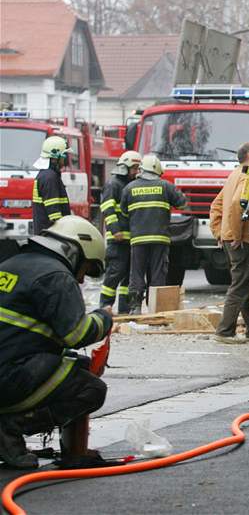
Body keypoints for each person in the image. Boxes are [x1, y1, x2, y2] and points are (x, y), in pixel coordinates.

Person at [0, 216, 113, 469]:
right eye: (85, 269)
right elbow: (77, 335)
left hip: (7, 364)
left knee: (76, 366)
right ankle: (9, 428)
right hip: (7, 375)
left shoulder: (10, 264)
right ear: (74, 253)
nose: (82, 280)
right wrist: (104, 319)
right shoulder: (55, 276)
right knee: (91, 388)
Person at [120, 154, 186, 314]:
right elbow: (182, 203)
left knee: (136, 273)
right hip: (160, 239)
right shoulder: (166, 186)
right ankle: (156, 309)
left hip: (138, 239)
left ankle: (135, 308)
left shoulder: (129, 188)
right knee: (158, 274)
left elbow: (124, 211)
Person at [209, 142, 249, 345]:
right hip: (242, 240)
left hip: (231, 236)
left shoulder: (233, 175)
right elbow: (236, 206)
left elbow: (216, 205)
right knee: (240, 285)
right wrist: (238, 235)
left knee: (245, 284)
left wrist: (219, 232)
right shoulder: (248, 176)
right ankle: (224, 331)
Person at [99, 151, 141, 314]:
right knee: (114, 274)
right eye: (135, 168)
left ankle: (124, 309)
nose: (137, 172)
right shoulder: (113, 184)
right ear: (125, 167)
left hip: (130, 239)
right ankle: (105, 306)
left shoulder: (130, 185)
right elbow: (107, 209)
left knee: (127, 277)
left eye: (139, 168)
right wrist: (115, 230)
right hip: (117, 239)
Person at [32, 136, 72, 235]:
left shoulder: (47, 175)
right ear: (56, 157)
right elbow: (54, 214)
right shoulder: (49, 177)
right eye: (64, 155)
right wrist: (63, 232)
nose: (65, 159)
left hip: (47, 235)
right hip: (50, 236)